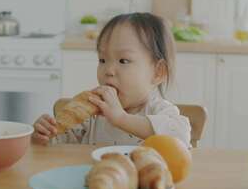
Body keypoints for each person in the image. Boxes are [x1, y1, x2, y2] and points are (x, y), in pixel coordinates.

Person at [32, 12, 191, 147]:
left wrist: (122, 119)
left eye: (123, 61)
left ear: (158, 72)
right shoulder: (92, 114)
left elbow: (180, 138)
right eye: (102, 60)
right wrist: (43, 135)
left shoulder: (160, 111)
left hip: (144, 182)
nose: (108, 70)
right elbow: (58, 147)